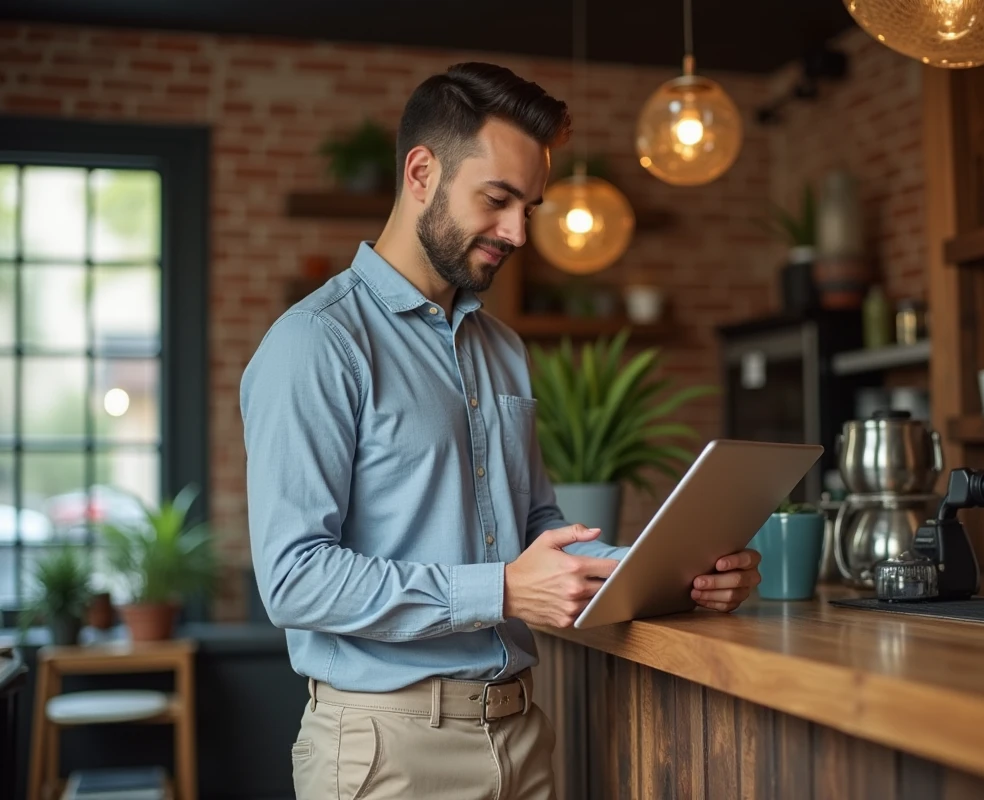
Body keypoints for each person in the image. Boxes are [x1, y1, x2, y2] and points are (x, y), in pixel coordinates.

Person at [240, 61, 762, 800]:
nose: (519, 231)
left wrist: (674, 571)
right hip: (387, 752)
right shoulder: (315, 344)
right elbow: (293, 579)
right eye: (498, 200)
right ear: (421, 171)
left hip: (522, 737)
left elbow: (534, 528)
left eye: (531, 207)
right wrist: (503, 592)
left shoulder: (502, 348)